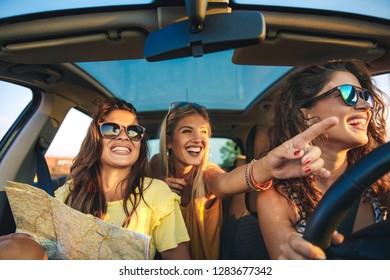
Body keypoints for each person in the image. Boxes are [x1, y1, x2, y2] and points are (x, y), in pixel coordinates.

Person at [0, 98, 190, 260]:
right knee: (19, 247)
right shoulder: (69, 192)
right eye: (111, 129)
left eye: (133, 131)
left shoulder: (157, 193)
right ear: (95, 138)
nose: (124, 136)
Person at [149, 101, 338, 259]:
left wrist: (267, 167)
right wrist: (159, 189)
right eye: (187, 131)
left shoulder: (208, 173)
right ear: (170, 141)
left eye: (204, 132)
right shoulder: (156, 166)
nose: (198, 139)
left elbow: (225, 182)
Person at [256, 59, 390, 260]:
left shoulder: (382, 181)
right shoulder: (277, 198)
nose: (364, 106)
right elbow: (289, 256)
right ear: (306, 116)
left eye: (365, 96)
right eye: (348, 94)